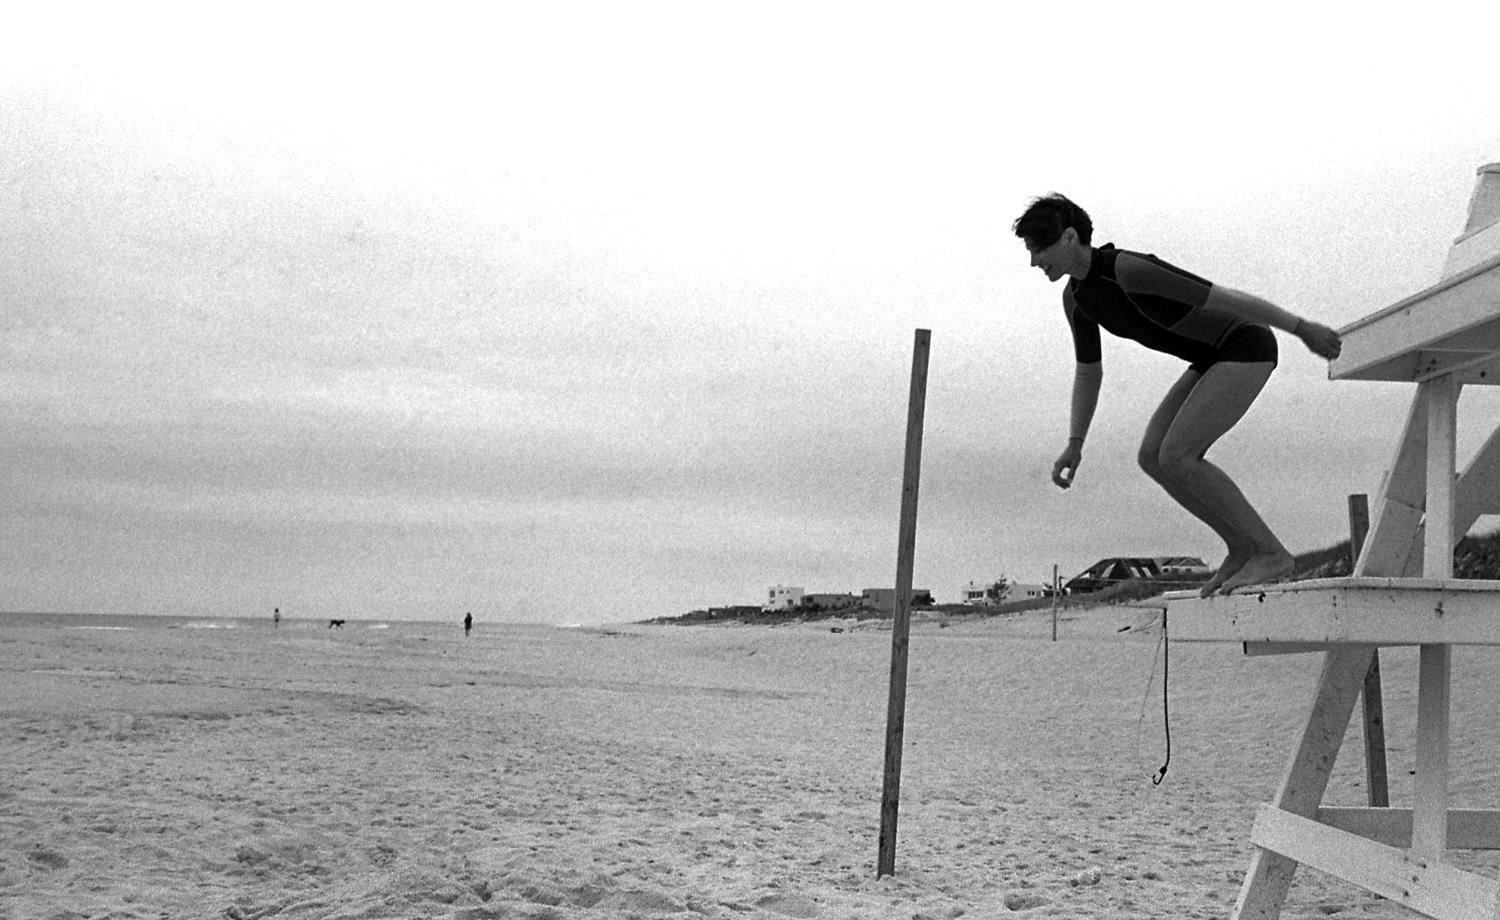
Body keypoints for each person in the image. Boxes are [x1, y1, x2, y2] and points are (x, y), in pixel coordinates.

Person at [1012, 194, 1343, 596]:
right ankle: (1241, 547)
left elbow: (1225, 298)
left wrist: (1302, 328)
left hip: (1245, 343)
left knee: (1177, 454)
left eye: (1038, 249)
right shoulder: (1077, 300)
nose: (1033, 261)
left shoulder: (1128, 269)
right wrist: (1074, 444)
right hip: (1210, 356)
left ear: (1068, 237)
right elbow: (1088, 373)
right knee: (1152, 456)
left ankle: (1271, 551)